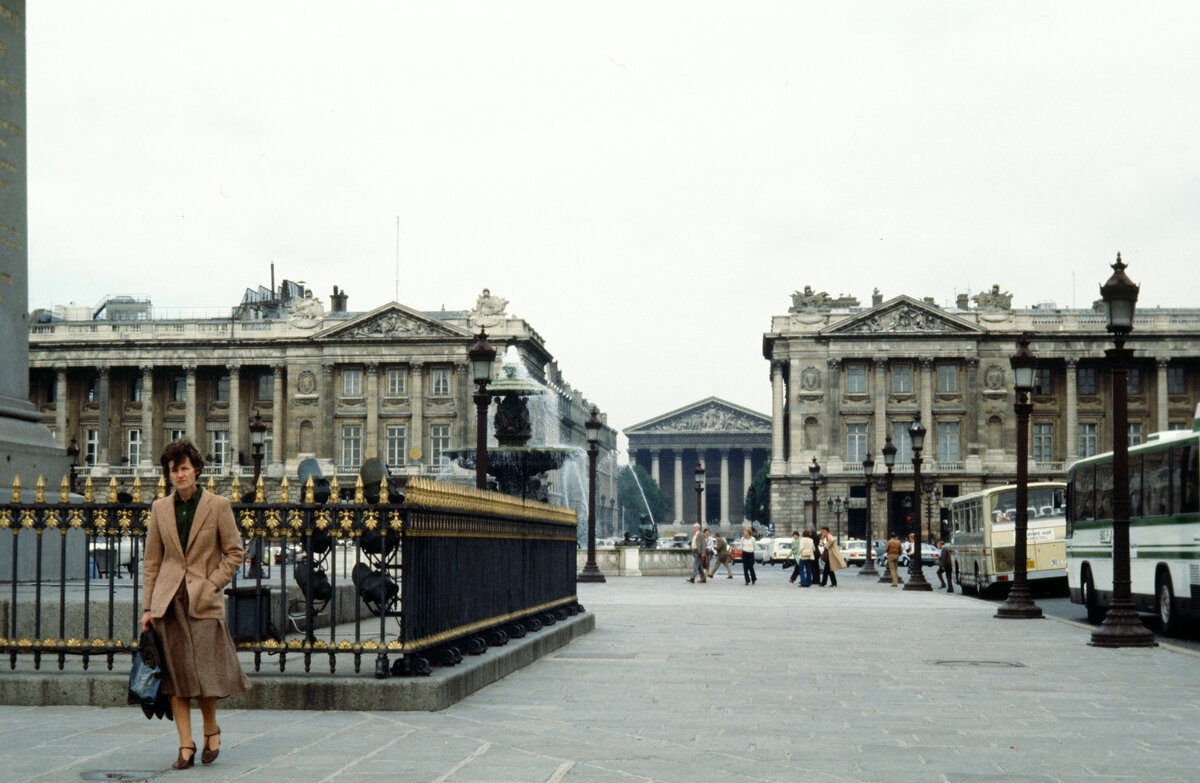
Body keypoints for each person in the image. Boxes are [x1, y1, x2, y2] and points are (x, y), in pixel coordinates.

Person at [141, 440, 250, 769]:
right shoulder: (161, 509)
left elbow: (234, 553)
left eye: (184, 468)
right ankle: (185, 745)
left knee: (204, 675)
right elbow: (151, 562)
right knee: (175, 678)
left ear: (197, 470)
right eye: (174, 470)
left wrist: (212, 583)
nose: (179, 475)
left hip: (203, 600)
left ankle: (210, 730)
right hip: (168, 602)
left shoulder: (218, 505)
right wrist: (148, 608)